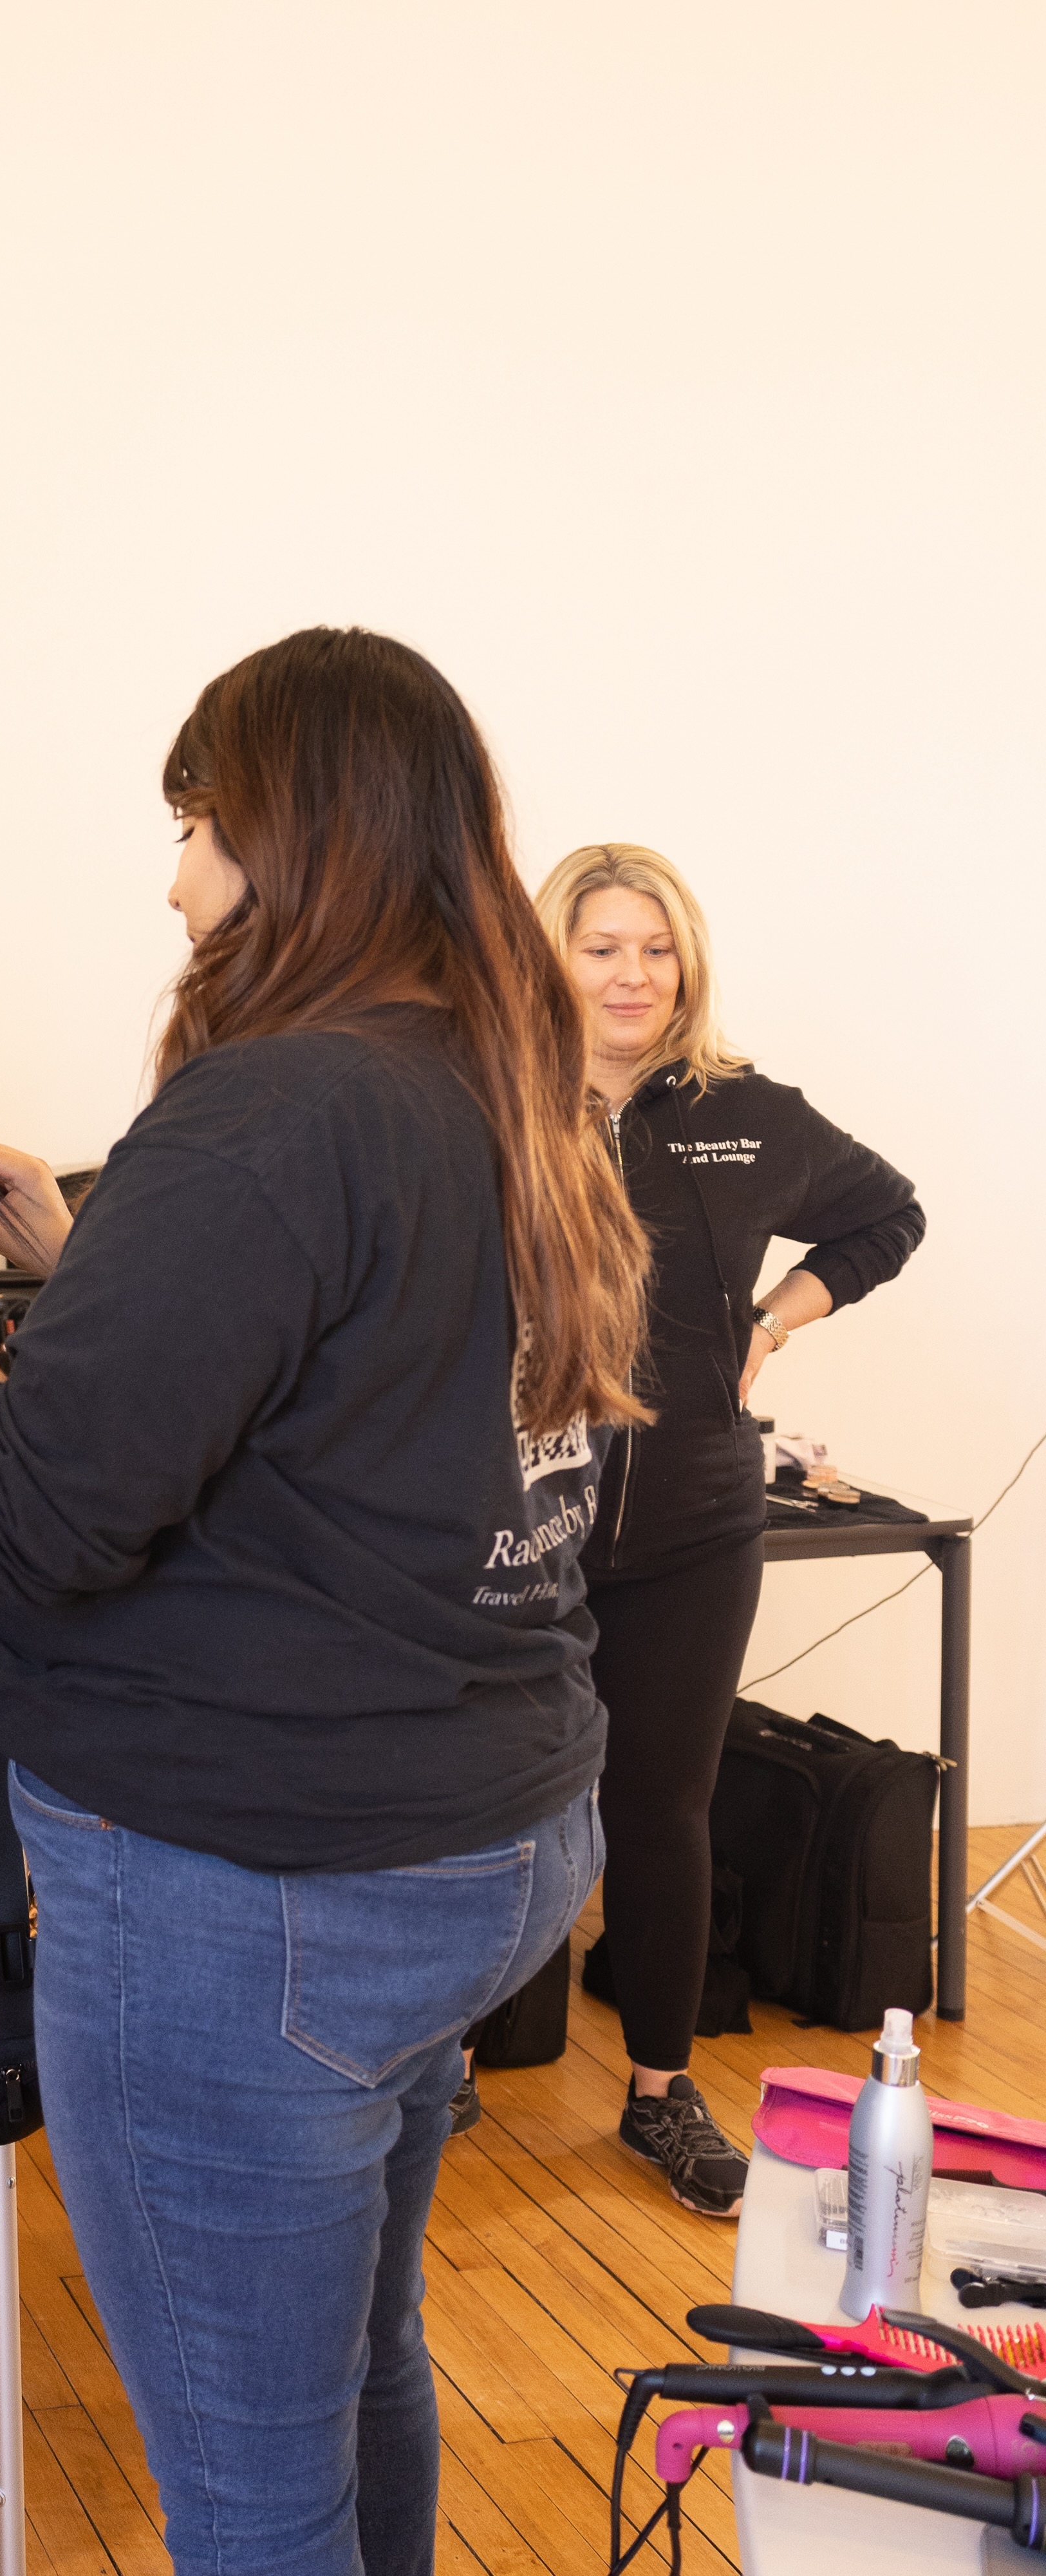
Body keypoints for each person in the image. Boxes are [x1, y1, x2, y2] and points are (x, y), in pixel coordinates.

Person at [0, 627, 648, 2576]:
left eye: (190, 824)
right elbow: (340, 1402)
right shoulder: (490, 1083)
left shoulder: (264, 1114)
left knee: (256, 2500)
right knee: (353, 2368)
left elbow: (36, 1518)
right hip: (476, 1845)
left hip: (257, 1900)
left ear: (285, 838)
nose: (171, 877)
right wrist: (71, 1245)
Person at [480, 840, 923, 2216]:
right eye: (599, 944)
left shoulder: (743, 1112)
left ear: (685, 962)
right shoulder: (479, 1096)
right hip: (507, 1524)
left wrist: (768, 1331)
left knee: (659, 1806)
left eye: (652, 946)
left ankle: (659, 2094)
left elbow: (884, 1213)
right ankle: (427, 2060)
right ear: (549, 954)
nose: (628, 972)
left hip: (692, 1520)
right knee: (473, 1803)